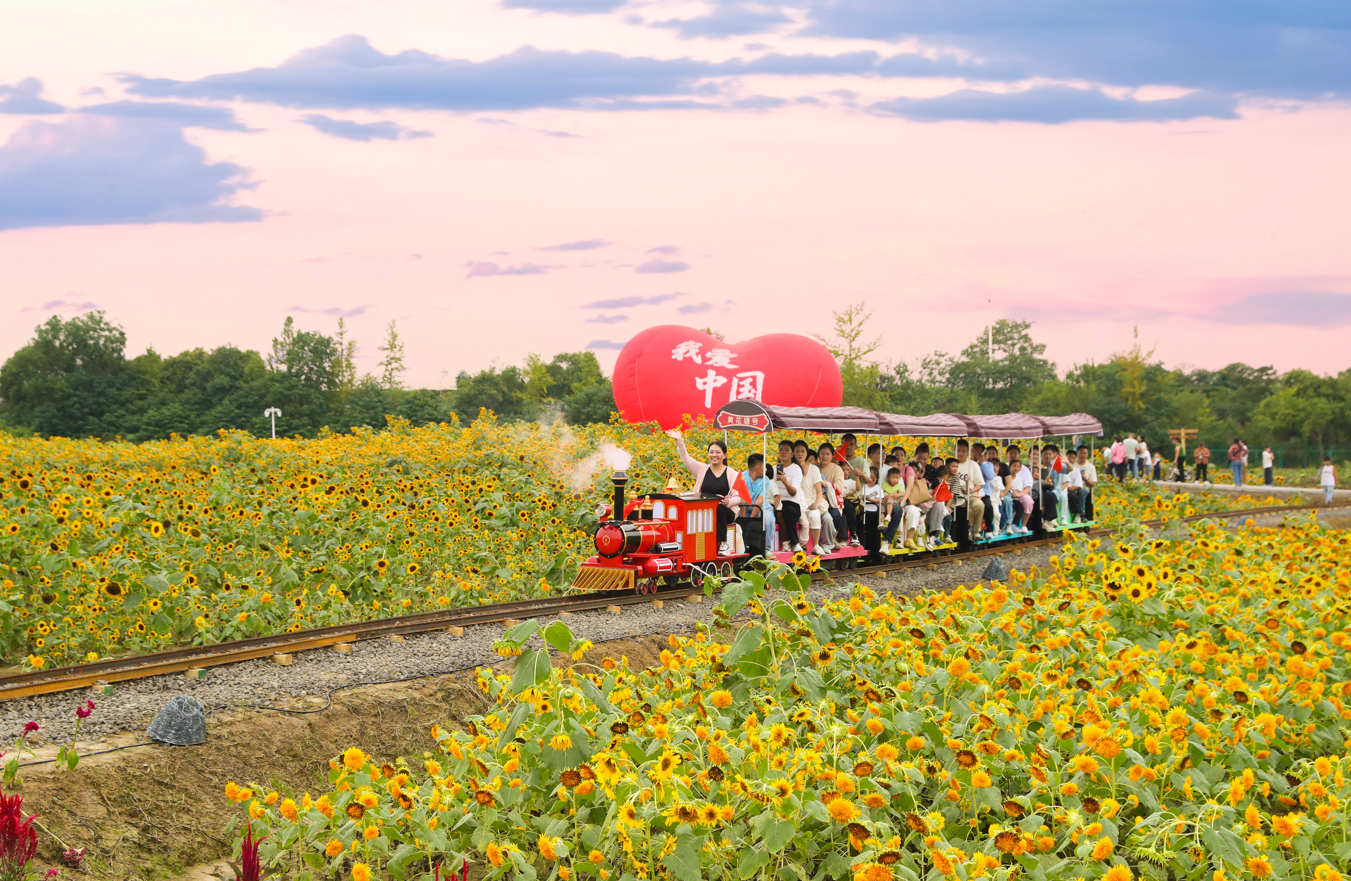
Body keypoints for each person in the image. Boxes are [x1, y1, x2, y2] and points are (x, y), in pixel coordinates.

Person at [665, 429, 745, 556]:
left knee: (718, 508)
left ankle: (723, 543)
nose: (714, 455)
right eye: (711, 452)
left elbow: (739, 498)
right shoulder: (702, 469)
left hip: (724, 510)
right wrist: (680, 441)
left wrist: (729, 502)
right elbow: (687, 460)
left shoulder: (732, 473)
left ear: (724, 455)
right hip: (703, 508)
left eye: (718, 452)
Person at [793, 441, 827, 554]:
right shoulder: (790, 468)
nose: (800, 454)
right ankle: (798, 545)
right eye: (797, 451)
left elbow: (818, 491)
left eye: (803, 451)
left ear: (807, 453)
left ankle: (816, 545)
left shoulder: (814, 469)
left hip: (810, 503)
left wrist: (816, 504)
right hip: (795, 503)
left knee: (815, 516)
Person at [743, 453, 777, 556]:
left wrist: (750, 521)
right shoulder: (742, 477)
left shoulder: (765, 479)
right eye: (765, 466)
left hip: (761, 507)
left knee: (769, 519)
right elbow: (742, 500)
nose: (766, 469)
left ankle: (766, 549)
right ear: (758, 468)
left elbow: (759, 500)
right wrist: (744, 520)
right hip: (743, 507)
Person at [773, 441, 803, 552]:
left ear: (792, 454)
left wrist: (785, 482)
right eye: (781, 449)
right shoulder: (773, 468)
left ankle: (794, 543)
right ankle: (781, 544)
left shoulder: (796, 469)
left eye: (787, 450)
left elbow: (793, 492)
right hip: (776, 501)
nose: (783, 452)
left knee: (788, 511)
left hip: (792, 502)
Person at [954, 440, 986, 540]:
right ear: (954, 450)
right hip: (954, 496)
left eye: (963, 451)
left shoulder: (973, 465)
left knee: (979, 505)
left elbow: (980, 483)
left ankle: (976, 531)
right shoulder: (950, 463)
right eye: (958, 450)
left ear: (967, 452)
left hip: (969, 495)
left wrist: (971, 491)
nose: (960, 453)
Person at [1007, 458, 1034, 533]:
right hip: (1006, 496)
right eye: (1014, 466)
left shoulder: (1018, 479)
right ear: (1010, 466)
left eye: (1018, 467)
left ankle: (1015, 525)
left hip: (1014, 498)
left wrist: (1011, 489)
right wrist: (1010, 489)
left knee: (1020, 507)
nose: (1016, 468)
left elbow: (1018, 490)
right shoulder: (1006, 477)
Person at [1076, 444, 1097, 521]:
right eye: (1081, 453)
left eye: (1085, 453)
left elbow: (1092, 484)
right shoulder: (1073, 465)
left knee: (1081, 491)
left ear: (1087, 454)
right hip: (1072, 487)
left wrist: (1085, 479)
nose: (1083, 455)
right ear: (1077, 453)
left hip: (1084, 488)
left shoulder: (1091, 467)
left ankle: (1081, 514)